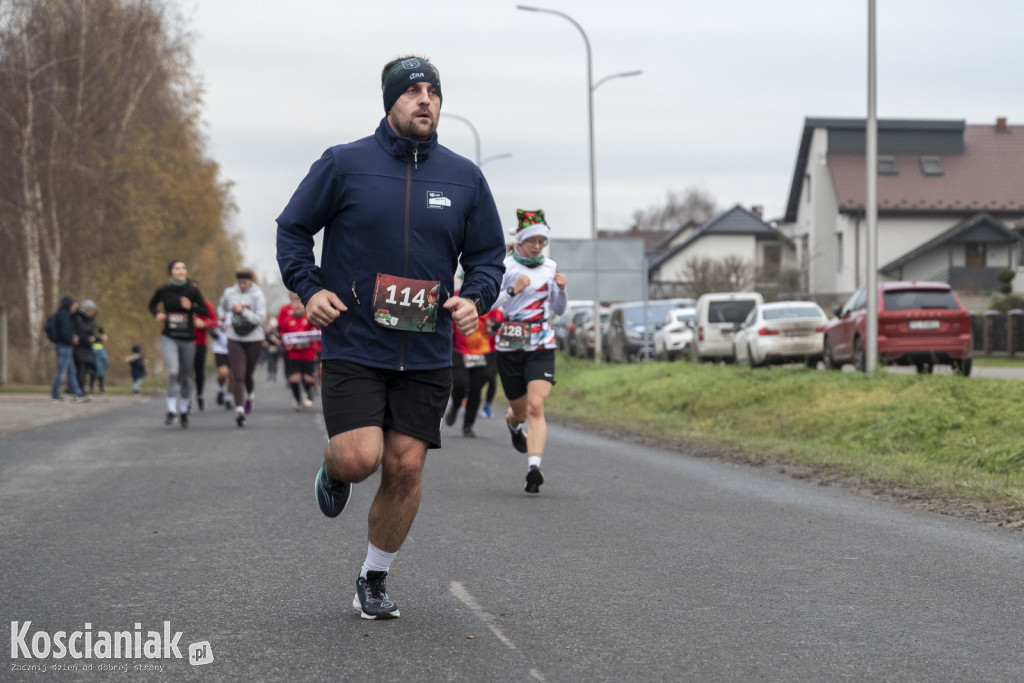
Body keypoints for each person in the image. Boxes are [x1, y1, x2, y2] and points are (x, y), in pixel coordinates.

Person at [276, 55, 505, 620]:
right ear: (390, 101)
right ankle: (333, 469)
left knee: (404, 467)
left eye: (433, 91)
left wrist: (475, 299)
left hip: (426, 348)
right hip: (355, 340)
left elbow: (488, 257)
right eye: (412, 91)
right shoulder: (344, 164)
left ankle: (372, 578)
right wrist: (309, 290)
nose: (425, 100)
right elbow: (293, 229)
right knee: (360, 458)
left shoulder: (464, 177)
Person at [490, 209, 568, 494]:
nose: (537, 246)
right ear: (521, 241)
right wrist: (512, 291)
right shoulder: (506, 266)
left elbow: (559, 309)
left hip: (541, 341)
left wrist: (561, 290)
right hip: (510, 342)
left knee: (537, 406)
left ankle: (533, 467)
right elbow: (486, 305)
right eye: (532, 241)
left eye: (541, 242)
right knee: (520, 412)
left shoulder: (551, 267)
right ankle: (513, 424)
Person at [148, 260, 207, 428]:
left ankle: (184, 410)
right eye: (177, 268)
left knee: (186, 376)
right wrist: (157, 314)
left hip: (188, 338)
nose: (181, 271)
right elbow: (151, 305)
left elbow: (204, 311)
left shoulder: (192, 290)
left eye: (183, 268)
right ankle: (171, 410)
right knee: (173, 371)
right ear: (171, 272)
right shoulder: (164, 290)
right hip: (170, 336)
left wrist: (191, 306)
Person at [445, 294, 501, 437]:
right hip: (459, 351)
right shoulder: (456, 296)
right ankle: (455, 407)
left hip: (482, 352)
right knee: (461, 384)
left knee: (476, 390)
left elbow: (497, 323)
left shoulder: (489, 299)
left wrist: (493, 326)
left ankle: (468, 426)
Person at [218, 268, 267, 427]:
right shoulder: (229, 292)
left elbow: (261, 319)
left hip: (254, 338)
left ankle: (250, 396)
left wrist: (243, 311)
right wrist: (222, 315)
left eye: (245, 282)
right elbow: (221, 307)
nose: (242, 285)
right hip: (234, 337)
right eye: (240, 282)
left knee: (247, 375)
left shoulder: (257, 295)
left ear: (250, 281)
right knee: (238, 374)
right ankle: (239, 411)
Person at [278, 292, 320, 410]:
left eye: (299, 304)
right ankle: (297, 400)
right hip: (294, 354)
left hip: (308, 354)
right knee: (294, 378)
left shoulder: (309, 318)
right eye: (294, 304)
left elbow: (318, 332)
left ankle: (310, 390)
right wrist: (286, 344)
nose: (297, 306)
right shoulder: (287, 320)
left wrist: (317, 348)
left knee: (307, 378)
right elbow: (283, 335)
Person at [50, 296, 90, 402]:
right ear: (68, 305)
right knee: (62, 371)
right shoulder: (64, 316)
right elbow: (64, 332)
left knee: (72, 371)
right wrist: (72, 339)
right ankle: (55, 394)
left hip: (66, 347)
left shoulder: (67, 315)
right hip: (64, 347)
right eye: (73, 305)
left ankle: (77, 393)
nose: (75, 307)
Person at [192, 296, 218, 411]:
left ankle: (199, 394)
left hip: (200, 342)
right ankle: (186, 401)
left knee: (199, 371)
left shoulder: (204, 303)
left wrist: (204, 323)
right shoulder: (181, 302)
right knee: (185, 372)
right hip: (184, 342)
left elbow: (214, 320)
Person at [72, 299, 98, 393]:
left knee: (85, 371)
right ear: (86, 309)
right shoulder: (78, 318)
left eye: (93, 310)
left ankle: (80, 388)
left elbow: (92, 334)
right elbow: (79, 333)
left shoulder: (92, 320)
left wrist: (97, 339)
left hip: (88, 349)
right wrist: (87, 339)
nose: (92, 311)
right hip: (79, 348)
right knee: (80, 370)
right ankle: (79, 389)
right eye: (91, 309)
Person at [210, 314, 235, 410]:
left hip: (234, 349)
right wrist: (217, 321)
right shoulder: (218, 312)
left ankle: (228, 399)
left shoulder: (236, 314)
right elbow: (209, 324)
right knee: (223, 373)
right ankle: (221, 389)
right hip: (220, 349)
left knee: (232, 376)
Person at [88, 328, 110, 394]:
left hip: (92, 365)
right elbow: (105, 357)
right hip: (100, 366)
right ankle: (101, 390)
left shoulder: (91, 348)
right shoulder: (101, 348)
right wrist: (107, 364)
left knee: (92, 378)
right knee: (101, 379)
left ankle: (91, 389)